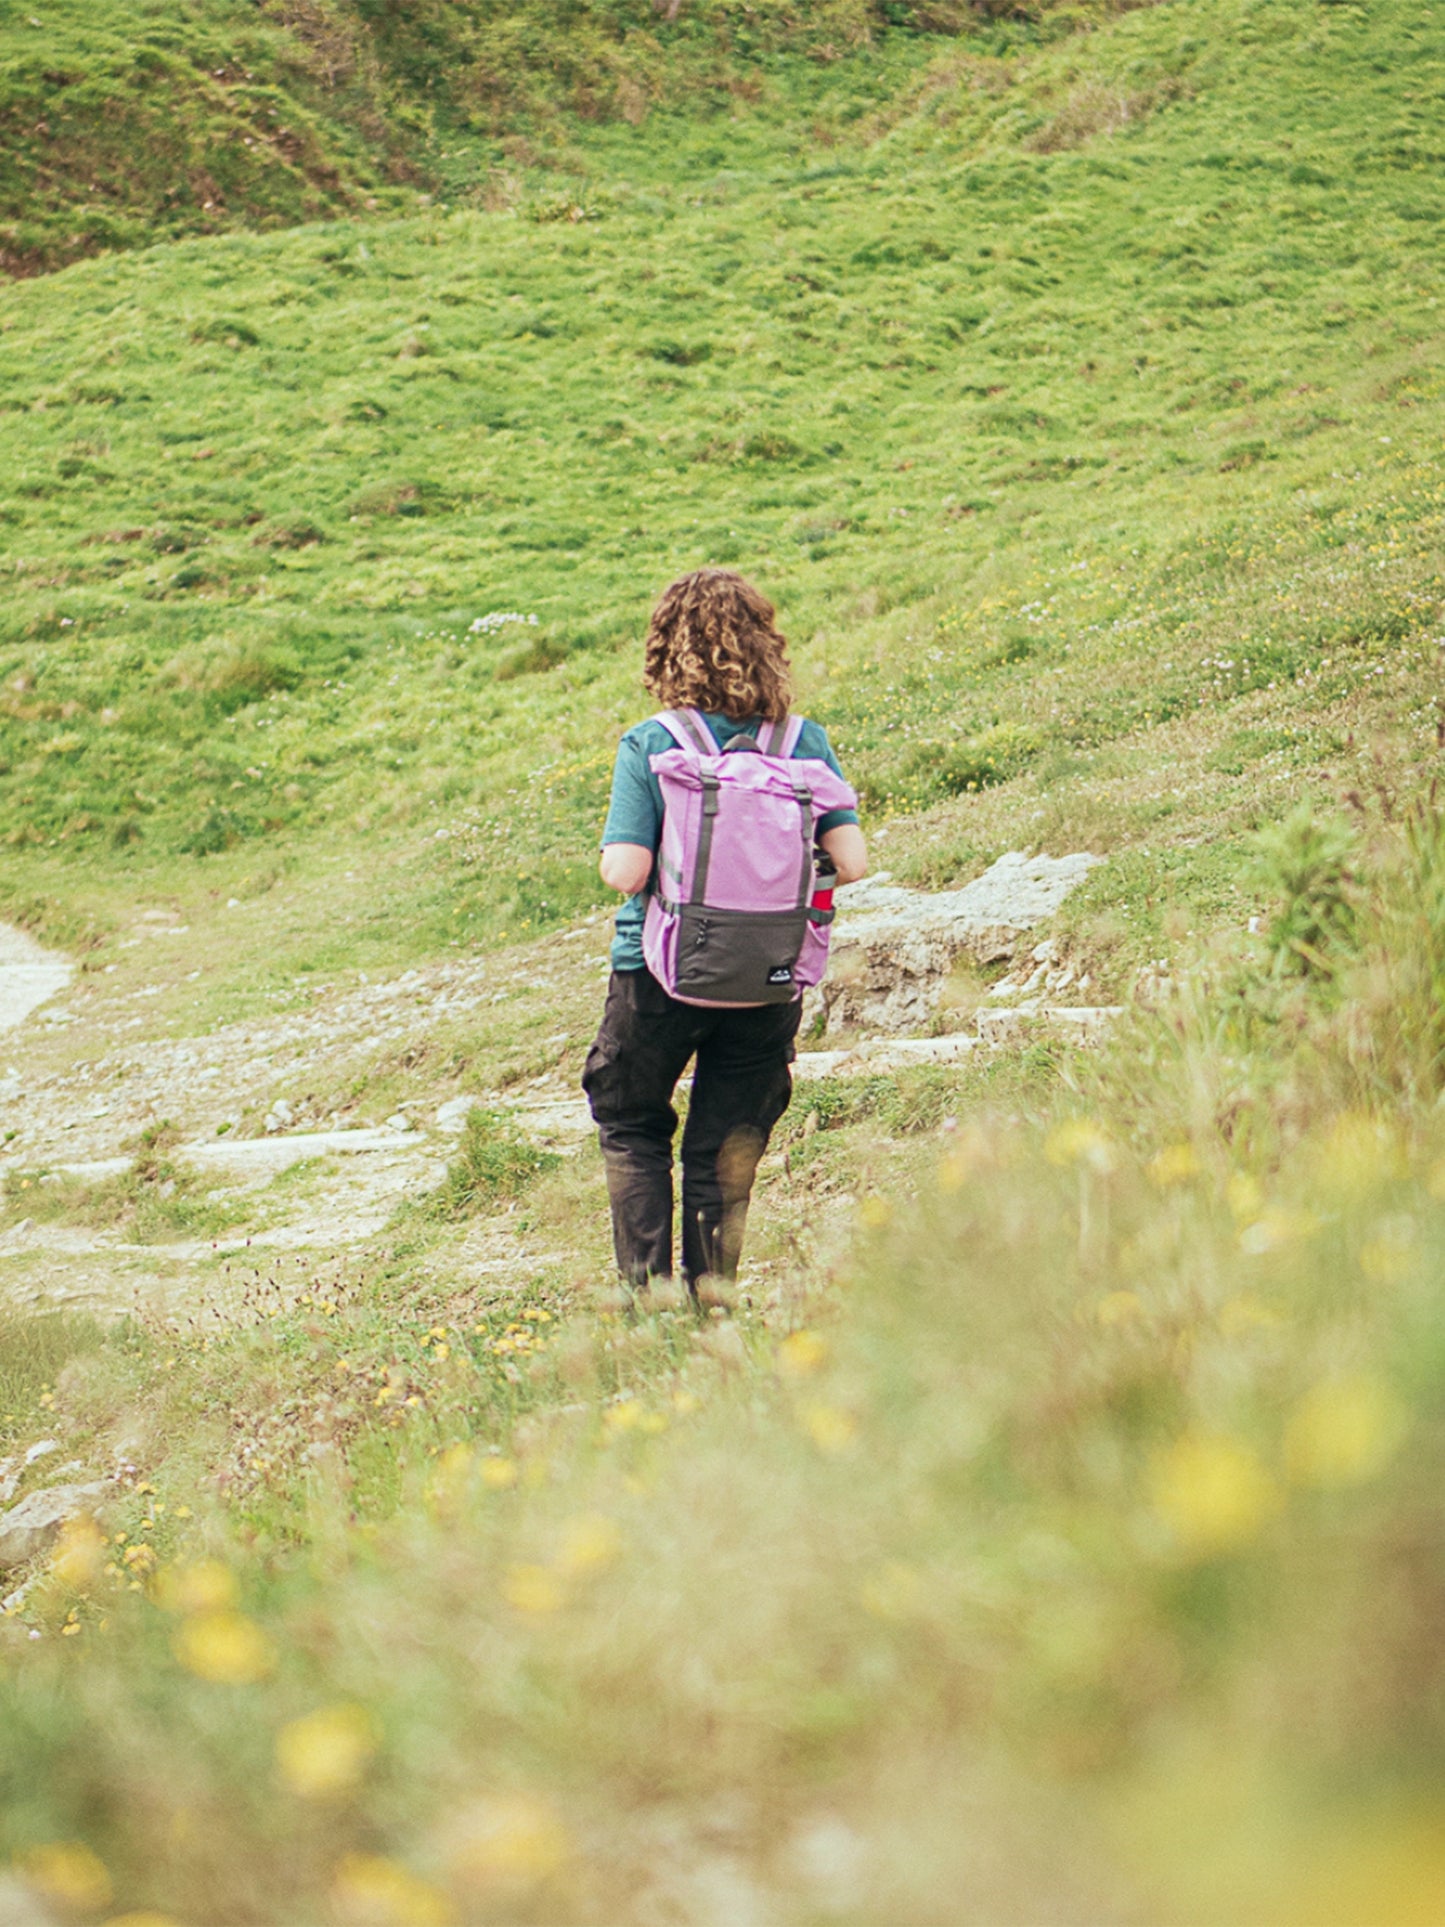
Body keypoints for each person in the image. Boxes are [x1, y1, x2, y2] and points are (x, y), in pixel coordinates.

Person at [582, 568, 866, 1299]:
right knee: (721, 1150)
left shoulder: (652, 742)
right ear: (767, 644)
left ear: (664, 652)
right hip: (766, 979)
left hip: (658, 973)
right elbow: (852, 862)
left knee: (633, 1122)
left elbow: (625, 868)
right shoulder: (804, 742)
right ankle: (712, 1315)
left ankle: (647, 1309)